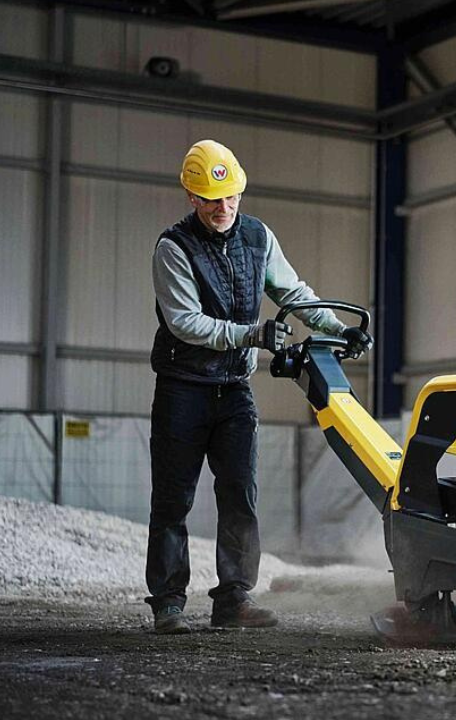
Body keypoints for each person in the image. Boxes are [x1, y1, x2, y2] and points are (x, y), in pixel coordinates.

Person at [146, 139, 372, 634]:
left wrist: (338, 329)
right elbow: (185, 322)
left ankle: (233, 601)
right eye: (212, 199)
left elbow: (293, 293)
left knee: (240, 494)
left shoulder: (257, 237)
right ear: (192, 197)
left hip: (234, 390)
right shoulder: (173, 248)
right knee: (173, 499)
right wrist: (252, 334)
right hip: (184, 388)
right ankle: (168, 603)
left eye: (231, 197)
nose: (224, 208)